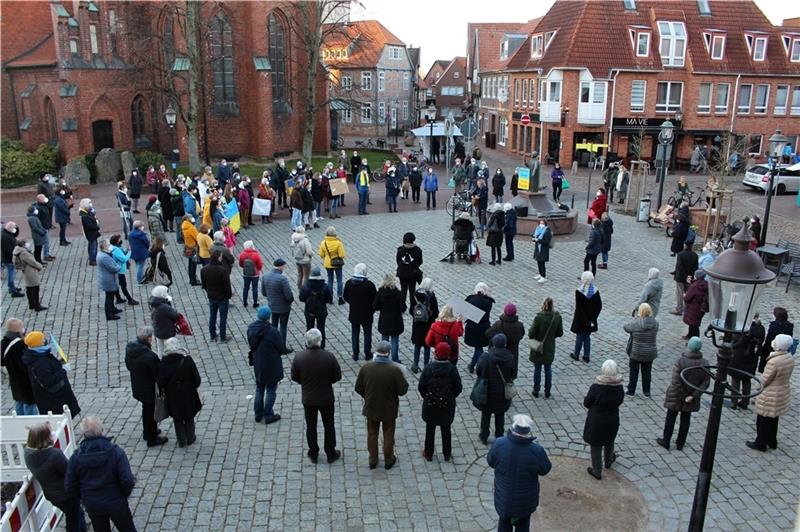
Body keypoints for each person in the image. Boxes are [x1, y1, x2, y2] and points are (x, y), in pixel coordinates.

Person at [65, 417, 136, 531]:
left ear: (84, 434)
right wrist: (123, 495)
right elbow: (127, 480)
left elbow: (70, 485)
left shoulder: (76, 458)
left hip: (93, 504)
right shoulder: (116, 452)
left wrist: (84, 497)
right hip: (116, 502)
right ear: (101, 429)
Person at [487, 413, 552, 532]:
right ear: (528, 432)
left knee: (503, 523)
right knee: (523, 525)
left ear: (513, 428)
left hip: (504, 498)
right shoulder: (537, 451)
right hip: (525, 502)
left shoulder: (499, 444)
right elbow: (545, 469)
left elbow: (491, 462)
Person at [354, 341, 409, 470]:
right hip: (389, 408)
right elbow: (403, 390)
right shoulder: (395, 370)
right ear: (388, 353)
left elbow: (358, 388)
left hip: (371, 406)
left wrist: (367, 396)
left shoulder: (366, 368)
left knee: (372, 433)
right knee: (388, 434)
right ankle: (389, 460)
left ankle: (373, 460)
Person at [290, 328, 343, 464]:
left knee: (311, 425)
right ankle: (330, 453)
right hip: (326, 397)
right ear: (320, 340)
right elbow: (337, 376)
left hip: (308, 398)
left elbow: (294, 377)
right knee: (329, 425)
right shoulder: (329, 357)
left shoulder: (299, 357)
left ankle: (313, 452)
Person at [24, 423, 87, 532]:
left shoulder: (28, 455)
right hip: (67, 495)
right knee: (73, 520)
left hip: (52, 495)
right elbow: (69, 472)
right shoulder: (54, 455)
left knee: (76, 514)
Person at [657, 337, 711, 451]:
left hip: (676, 395)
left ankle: (666, 440)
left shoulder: (681, 361)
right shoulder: (705, 363)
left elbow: (676, 382)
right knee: (686, 418)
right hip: (691, 397)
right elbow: (705, 383)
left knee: (671, 417)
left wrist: (684, 395)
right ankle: (680, 443)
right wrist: (692, 396)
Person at [747, 334, 795, 452]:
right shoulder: (789, 358)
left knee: (763, 418)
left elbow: (765, 379)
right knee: (773, 418)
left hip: (770, 393)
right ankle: (772, 441)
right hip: (781, 391)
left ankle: (760, 442)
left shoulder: (774, 361)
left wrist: (757, 389)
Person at [418, 342, 462, 461]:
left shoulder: (428, 368)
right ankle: (446, 454)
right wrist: (451, 397)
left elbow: (421, 386)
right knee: (446, 429)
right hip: (447, 404)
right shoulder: (452, 370)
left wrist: (427, 396)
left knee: (430, 429)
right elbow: (458, 388)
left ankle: (428, 453)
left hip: (430, 404)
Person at [125, 326, 168, 447]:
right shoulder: (150, 356)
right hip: (149, 389)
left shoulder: (130, 348)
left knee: (146, 410)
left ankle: (147, 432)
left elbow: (128, 366)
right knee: (151, 412)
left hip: (138, 385)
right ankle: (151, 437)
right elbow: (158, 375)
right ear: (149, 339)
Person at [21, 331, 80, 417]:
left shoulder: (37, 354)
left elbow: (50, 369)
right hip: (54, 401)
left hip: (56, 398)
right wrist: (63, 370)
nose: (45, 340)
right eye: (42, 339)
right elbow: (49, 380)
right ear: (39, 344)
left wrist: (60, 363)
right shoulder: (39, 362)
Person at [248, 306, 291, 424]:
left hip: (258, 362)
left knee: (259, 388)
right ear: (268, 317)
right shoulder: (272, 331)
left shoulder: (251, 329)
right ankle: (268, 414)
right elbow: (281, 348)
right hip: (271, 364)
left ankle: (258, 414)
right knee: (271, 389)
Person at [583, 359, 625, 480]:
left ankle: (597, 470)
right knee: (609, 439)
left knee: (595, 444)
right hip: (612, 419)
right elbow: (620, 401)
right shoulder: (619, 388)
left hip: (596, 420)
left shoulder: (596, 387)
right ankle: (608, 460)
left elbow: (587, 402)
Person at [159, 337, 202, 447]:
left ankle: (181, 440)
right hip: (188, 393)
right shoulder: (187, 360)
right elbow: (197, 379)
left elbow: (161, 382)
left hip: (172, 395)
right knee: (189, 415)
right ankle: (190, 437)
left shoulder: (164, 362)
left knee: (177, 417)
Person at [475, 333, 515, 444]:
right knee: (500, 414)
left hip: (487, 390)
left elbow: (479, 371)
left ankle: (484, 435)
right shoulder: (510, 357)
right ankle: (499, 436)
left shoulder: (485, 356)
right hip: (502, 392)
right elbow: (512, 374)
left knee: (486, 414)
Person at [528, 297, 563, 398]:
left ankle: (536, 390)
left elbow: (531, 333)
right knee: (548, 368)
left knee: (537, 369)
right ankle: (548, 391)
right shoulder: (557, 317)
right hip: (549, 347)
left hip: (538, 347)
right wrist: (551, 337)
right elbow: (560, 333)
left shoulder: (539, 318)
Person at [2, 318, 38, 414]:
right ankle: (30, 424)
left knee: (19, 401)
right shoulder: (20, 345)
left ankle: (19, 420)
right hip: (25, 380)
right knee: (29, 404)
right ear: (19, 330)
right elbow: (24, 365)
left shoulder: (4, 342)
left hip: (14, 379)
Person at [729, 314, 765, 410]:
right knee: (746, 379)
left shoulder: (744, 327)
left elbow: (736, 339)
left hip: (738, 357)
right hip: (751, 359)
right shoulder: (761, 329)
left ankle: (734, 401)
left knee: (735, 379)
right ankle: (745, 402)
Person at [624, 303, 659, 396]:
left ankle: (631, 391)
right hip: (650, 352)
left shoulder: (636, 323)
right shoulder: (655, 323)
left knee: (634, 372)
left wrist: (636, 318)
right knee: (647, 372)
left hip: (636, 352)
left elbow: (626, 327)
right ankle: (646, 392)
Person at [343, 263, 377, 361]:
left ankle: (355, 354)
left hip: (354, 313)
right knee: (367, 333)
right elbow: (375, 299)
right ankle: (367, 353)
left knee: (355, 333)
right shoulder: (369, 285)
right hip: (367, 313)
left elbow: (345, 297)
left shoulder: (349, 283)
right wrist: (372, 310)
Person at [373, 273, 407, 363]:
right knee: (395, 340)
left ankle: (383, 357)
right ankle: (395, 359)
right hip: (396, 320)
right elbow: (403, 308)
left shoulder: (380, 292)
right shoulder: (398, 293)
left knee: (384, 340)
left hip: (384, 320)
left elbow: (375, 306)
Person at [570, 272, 602, 363]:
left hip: (581, 320)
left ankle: (576, 354)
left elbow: (579, 309)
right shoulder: (595, 291)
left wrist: (585, 320)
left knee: (579, 336)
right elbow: (599, 306)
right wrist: (593, 318)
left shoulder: (579, 292)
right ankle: (586, 356)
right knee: (587, 337)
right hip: (591, 319)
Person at [486, 303, 526, 379]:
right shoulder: (519, 325)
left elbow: (488, 333)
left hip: (497, 354)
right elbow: (521, 335)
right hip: (512, 353)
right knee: (509, 376)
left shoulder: (498, 324)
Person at [260, 258, 294, 344]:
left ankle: (274, 344)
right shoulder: (282, 279)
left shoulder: (265, 276)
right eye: (284, 267)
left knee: (274, 326)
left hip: (272, 306)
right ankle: (282, 346)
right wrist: (289, 302)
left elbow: (264, 293)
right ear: (281, 267)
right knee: (283, 327)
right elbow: (289, 296)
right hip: (283, 308)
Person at [201, 250, 233, 342]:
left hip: (211, 296)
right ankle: (223, 336)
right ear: (219, 257)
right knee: (223, 317)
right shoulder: (222, 270)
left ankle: (212, 335)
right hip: (222, 297)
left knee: (212, 316)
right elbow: (227, 285)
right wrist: (228, 295)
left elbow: (204, 284)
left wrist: (209, 292)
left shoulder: (204, 269)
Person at [299, 268, 333, 348]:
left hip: (309, 311)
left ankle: (308, 344)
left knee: (309, 328)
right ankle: (322, 346)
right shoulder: (325, 286)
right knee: (321, 328)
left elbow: (301, 298)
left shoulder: (305, 286)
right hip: (321, 311)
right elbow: (329, 299)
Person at [411, 278, 439, 373]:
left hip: (417, 324)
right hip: (428, 325)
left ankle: (415, 364)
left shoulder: (416, 295)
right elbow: (436, 313)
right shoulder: (431, 297)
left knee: (417, 345)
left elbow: (412, 310)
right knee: (427, 345)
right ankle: (426, 365)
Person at [466, 282, 495, 373]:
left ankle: (474, 364)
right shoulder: (488, 302)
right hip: (483, 327)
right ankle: (475, 364)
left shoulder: (470, 300)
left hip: (472, 327)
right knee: (479, 347)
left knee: (478, 348)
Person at [13, 239, 47, 311]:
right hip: (30, 271)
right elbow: (32, 262)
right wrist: (40, 266)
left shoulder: (18, 251)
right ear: (23, 245)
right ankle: (37, 305)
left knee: (29, 287)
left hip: (26, 271)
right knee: (35, 287)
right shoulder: (24, 253)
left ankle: (31, 304)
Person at [758, 307, 793, 373]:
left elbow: (768, 343)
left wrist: (763, 355)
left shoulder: (774, 328)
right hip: (784, 353)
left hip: (772, 352)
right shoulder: (789, 326)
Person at [319, 226, 346, 305]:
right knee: (339, 280)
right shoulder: (338, 242)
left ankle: (330, 298)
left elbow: (321, 254)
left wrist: (326, 258)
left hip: (328, 263)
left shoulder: (323, 243)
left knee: (330, 280)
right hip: (337, 264)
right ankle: (340, 297)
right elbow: (342, 255)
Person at [396, 232, 423, 311]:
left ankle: (402, 307)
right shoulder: (418, 250)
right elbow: (420, 261)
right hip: (413, 274)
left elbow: (398, 261)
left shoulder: (400, 250)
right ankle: (412, 307)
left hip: (402, 274)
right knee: (412, 290)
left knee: (403, 290)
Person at [109, 234, 139, 306]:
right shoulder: (116, 249)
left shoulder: (114, 247)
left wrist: (126, 251)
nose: (120, 240)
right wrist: (129, 252)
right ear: (116, 241)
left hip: (116, 270)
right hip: (119, 270)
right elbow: (124, 259)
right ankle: (130, 300)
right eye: (119, 239)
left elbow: (122, 254)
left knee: (117, 285)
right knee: (123, 285)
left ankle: (118, 298)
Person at [149, 285, 179, 356]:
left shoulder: (154, 303)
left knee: (160, 348)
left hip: (158, 329)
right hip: (167, 330)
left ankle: (160, 360)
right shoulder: (163, 306)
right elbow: (175, 315)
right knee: (171, 347)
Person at [97, 238, 122, 320]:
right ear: (104, 246)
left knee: (111, 296)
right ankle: (109, 314)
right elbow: (113, 268)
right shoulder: (104, 257)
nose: (109, 245)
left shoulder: (101, 254)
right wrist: (119, 266)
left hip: (107, 278)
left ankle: (112, 309)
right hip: (109, 280)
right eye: (108, 244)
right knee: (109, 297)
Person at [670, 242, 698, 316]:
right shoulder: (695, 255)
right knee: (688, 293)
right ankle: (687, 309)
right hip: (689, 277)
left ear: (685, 245)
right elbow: (696, 268)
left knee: (679, 293)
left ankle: (679, 309)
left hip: (680, 277)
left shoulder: (680, 254)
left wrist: (684, 275)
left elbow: (679, 266)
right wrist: (689, 275)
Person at [682, 269, 708, 340]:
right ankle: (689, 335)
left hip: (693, 307)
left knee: (694, 325)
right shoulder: (705, 284)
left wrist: (685, 295)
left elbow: (687, 297)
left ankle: (695, 341)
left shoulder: (695, 286)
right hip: (701, 308)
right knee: (693, 323)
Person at [2, 222, 24, 298]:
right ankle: (12, 289)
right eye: (14, 228)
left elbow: (15, 235)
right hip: (8, 259)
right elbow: (8, 250)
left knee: (11, 273)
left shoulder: (7, 233)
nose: (15, 229)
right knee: (11, 274)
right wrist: (15, 254)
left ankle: (12, 287)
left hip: (8, 258)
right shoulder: (5, 237)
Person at [239, 240, 264, 308]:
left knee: (246, 288)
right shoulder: (256, 254)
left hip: (246, 274)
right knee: (255, 288)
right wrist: (258, 269)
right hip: (255, 274)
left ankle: (245, 302)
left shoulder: (242, 254)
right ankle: (255, 303)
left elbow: (241, 264)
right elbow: (260, 264)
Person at [33, 193, 55, 262]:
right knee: (46, 242)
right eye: (43, 198)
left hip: (46, 225)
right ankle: (46, 255)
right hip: (43, 227)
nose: (45, 199)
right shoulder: (38, 208)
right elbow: (38, 219)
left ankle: (47, 254)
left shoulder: (44, 205)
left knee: (47, 242)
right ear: (39, 200)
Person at [290, 226, 314, 290]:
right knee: (306, 276)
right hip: (305, 260)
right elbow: (309, 252)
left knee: (300, 274)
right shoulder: (305, 240)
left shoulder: (293, 238)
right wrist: (313, 254)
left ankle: (299, 287)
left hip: (297, 260)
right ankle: (305, 289)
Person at [79, 199, 101, 266]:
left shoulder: (87, 213)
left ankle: (92, 258)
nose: (91, 204)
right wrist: (97, 226)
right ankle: (92, 259)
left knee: (92, 246)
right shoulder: (85, 216)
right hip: (91, 233)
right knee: (93, 247)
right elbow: (90, 226)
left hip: (92, 233)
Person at [532, 219, 552, 284]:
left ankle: (543, 276)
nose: (541, 224)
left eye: (542, 223)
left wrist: (538, 240)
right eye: (540, 223)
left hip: (543, 249)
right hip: (538, 248)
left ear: (545, 224)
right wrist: (534, 239)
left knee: (542, 263)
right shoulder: (538, 229)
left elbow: (546, 241)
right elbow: (535, 236)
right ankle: (540, 274)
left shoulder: (547, 231)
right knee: (538, 261)